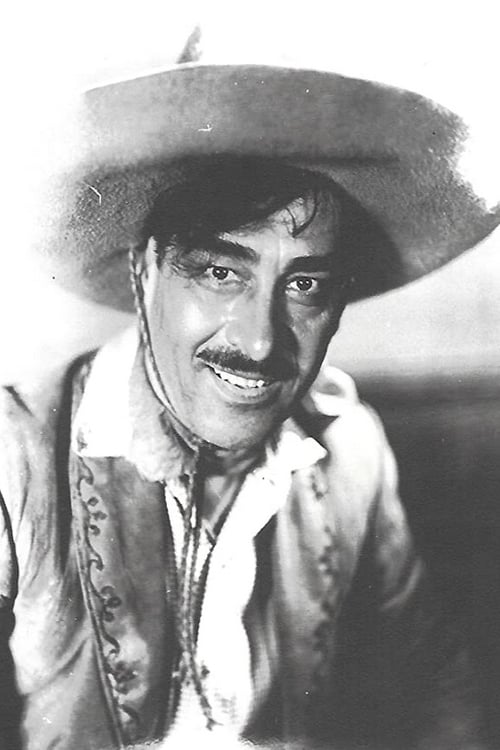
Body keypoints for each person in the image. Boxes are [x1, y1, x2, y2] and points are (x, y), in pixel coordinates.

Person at [1, 51, 499, 750]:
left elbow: (434, 682)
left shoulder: (349, 450)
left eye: (305, 286)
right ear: (145, 271)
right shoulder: (15, 459)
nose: (261, 342)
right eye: (219, 271)